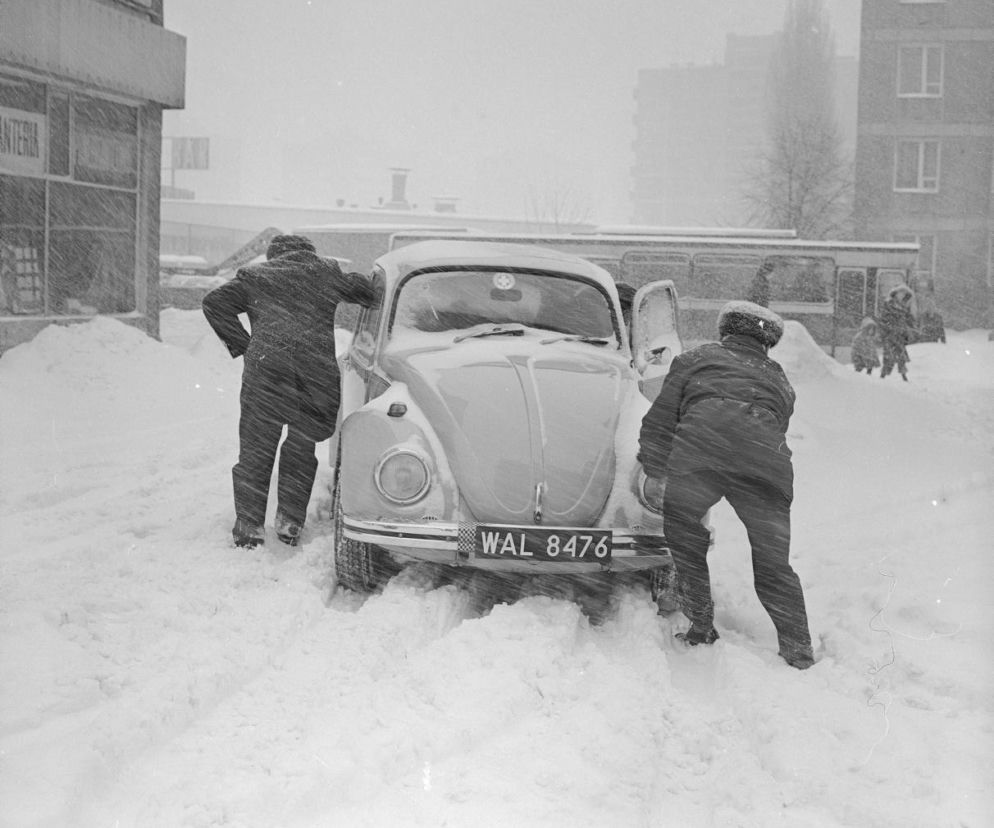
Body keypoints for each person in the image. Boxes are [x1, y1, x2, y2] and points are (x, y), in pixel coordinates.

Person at [637, 300, 814, 669]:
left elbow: (660, 420)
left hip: (701, 455)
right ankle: (798, 651)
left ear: (725, 332)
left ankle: (701, 625)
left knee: (686, 539)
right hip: (765, 466)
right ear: (766, 344)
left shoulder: (694, 359)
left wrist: (655, 470)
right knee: (773, 565)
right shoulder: (779, 378)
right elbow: (777, 422)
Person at [203, 234, 378, 548]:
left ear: (273, 256)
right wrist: (370, 280)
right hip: (314, 375)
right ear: (309, 254)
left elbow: (214, 304)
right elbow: (366, 292)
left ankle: (249, 525)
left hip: (267, 372)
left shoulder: (257, 277)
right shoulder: (326, 274)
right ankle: (290, 521)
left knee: (256, 449)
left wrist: (246, 346)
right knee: (301, 445)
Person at [878, 284, 917, 381]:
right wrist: (892, 329)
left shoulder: (900, 307)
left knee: (900, 356)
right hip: (890, 336)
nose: (905, 300)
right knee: (889, 356)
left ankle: (902, 376)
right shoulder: (889, 305)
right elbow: (884, 321)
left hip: (898, 335)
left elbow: (905, 320)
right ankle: (883, 376)